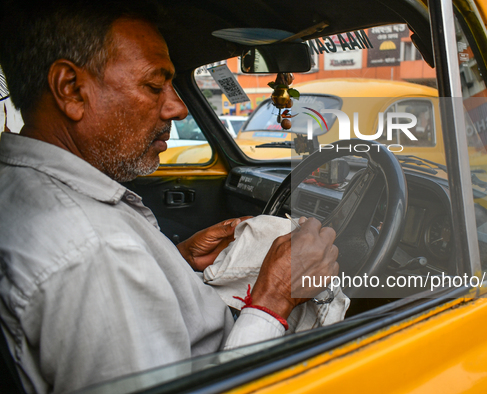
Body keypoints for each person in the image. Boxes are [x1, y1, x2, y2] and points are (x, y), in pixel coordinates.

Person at [0, 2, 338, 393]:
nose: (176, 107)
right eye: (154, 85)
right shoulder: (98, 250)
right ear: (71, 90)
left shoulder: (21, 186)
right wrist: (274, 299)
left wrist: (172, 262)